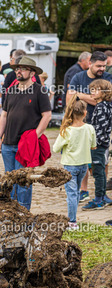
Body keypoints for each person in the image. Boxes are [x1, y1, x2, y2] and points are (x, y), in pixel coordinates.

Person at [0, 57, 52, 210]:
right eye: (17, 69)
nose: (18, 71)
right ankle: (11, 212)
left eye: (23, 69)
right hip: (8, 144)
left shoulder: (39, 91)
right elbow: (4, 115)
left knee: (23, 181)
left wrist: (35, 136)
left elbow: (47, 115)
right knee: (9, 180)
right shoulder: (11, 90)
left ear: (32, 73)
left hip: (25, 144)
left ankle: (23, 213)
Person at [67, 51, 112, 202]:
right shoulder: (78, 77)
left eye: (104, 66)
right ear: (90, 63)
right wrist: (92, 99)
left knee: (102, 160)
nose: (102, 69)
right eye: (99, 66)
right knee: (83, 159)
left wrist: (81, 95)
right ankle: (84, 190)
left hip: (102, 127)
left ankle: (101, 193)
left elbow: (107, 100)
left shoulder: (108, 78)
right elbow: (69, 99)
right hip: (82, 123)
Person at [52, 97, 96, 229]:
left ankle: (72, 221)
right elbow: (93, 146)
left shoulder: (67, 130)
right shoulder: (89, 128)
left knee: (71, 194)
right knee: (76, 192)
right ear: (85, 113)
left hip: (70, 166)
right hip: (84, 166)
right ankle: (73, 217)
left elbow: (55, 148)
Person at [82, 79, 112, 210]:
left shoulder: (101, 107)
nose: (92, 92)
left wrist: (93, 144)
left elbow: (100, 129)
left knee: (98, 172)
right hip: (103, 144)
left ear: (105, 92)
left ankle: (99, 200)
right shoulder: (106, 105)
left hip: (98, 145)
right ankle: (104, 196)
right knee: (101, 171)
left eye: (96, 90)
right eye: (92, 89)